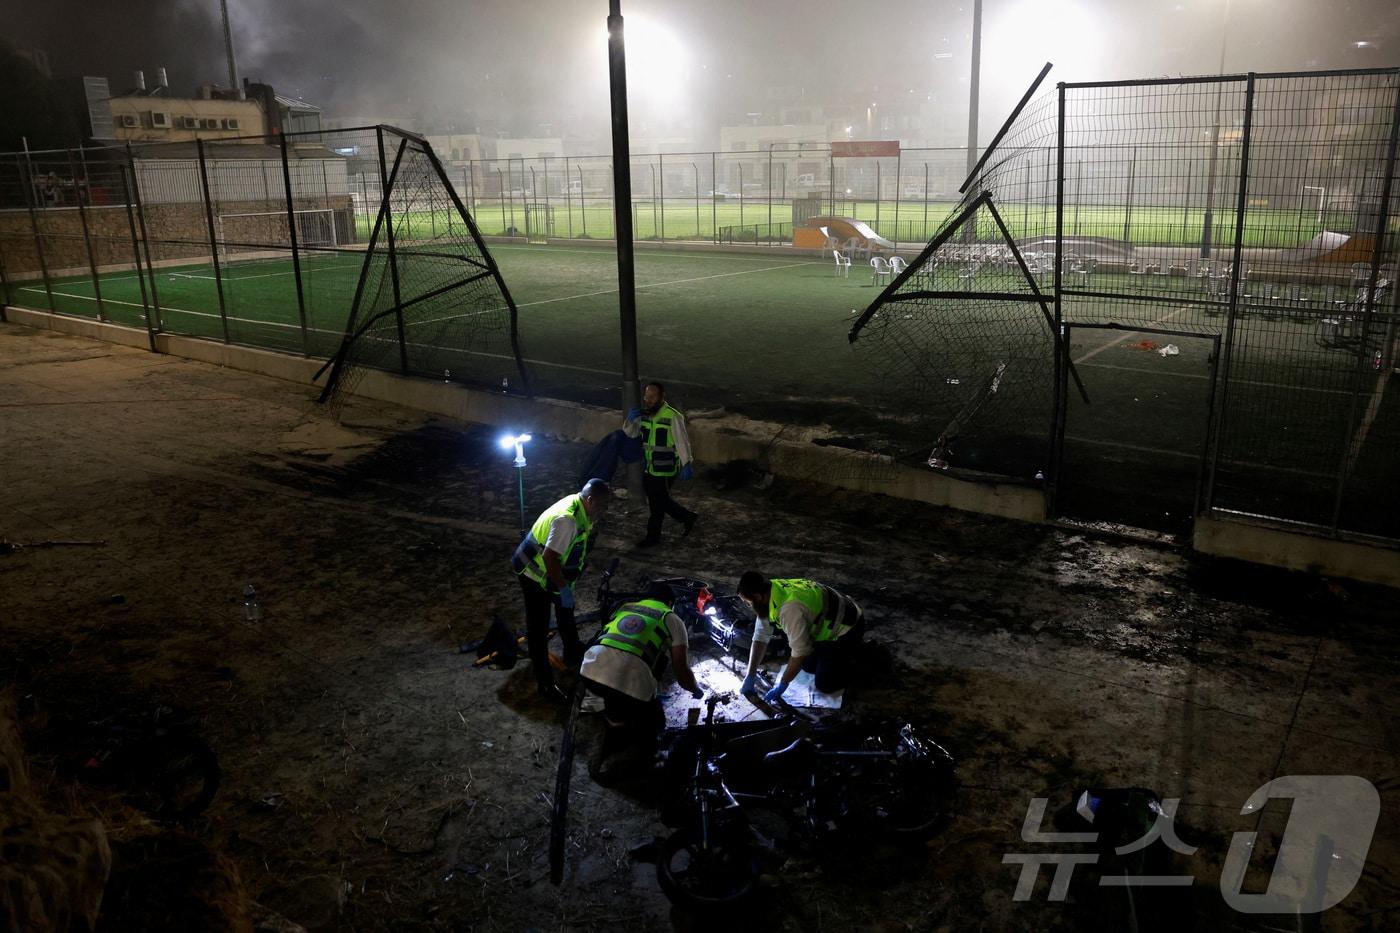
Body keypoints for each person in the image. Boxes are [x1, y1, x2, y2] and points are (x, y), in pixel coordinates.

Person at [511, 478, 612, 703]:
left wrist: (563, 587)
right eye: (602, 505)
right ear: (589, 499)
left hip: (551, 573)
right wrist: (562, 587)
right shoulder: (567, 520)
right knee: (538, 629)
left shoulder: (580, 508)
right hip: (533, 574)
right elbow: (550, 557)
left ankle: (572, 649)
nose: (603, 511)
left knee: (565, 610)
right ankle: (545, 684)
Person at [579, 581, 703, 754]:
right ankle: (643, 754)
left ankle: (615, 726)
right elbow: (681, 669)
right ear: (669, 603)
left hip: (589, 672)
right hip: (632, 686)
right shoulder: (672, 618)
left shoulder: (625, 607)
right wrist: (695, 688)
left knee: (614, 693)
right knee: (656, 721)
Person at [735, 571, 865, 702]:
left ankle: (860, 659)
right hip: (830, 621)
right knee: (807, 666)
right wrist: (750, 674)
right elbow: (760, 636)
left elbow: (800, 652)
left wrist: (783, 683)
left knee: (825, 684)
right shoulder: (771, 590)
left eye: (748, 603)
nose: (749, 606)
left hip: (848, 629)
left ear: (757, 597)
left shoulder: (789, 609)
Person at [629, 382, 697, 548]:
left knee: (656, 504)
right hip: (648, 468)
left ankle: (653, 538)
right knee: (659, 501)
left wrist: (686, 462)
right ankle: (687, 517)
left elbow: (682, 441)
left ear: (661, 397)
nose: (648, 400)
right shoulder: (643, 414)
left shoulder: (672, 416)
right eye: (647, 396)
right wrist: (630, 421)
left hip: (665, 469)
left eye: (653, 396)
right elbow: (630, 434)